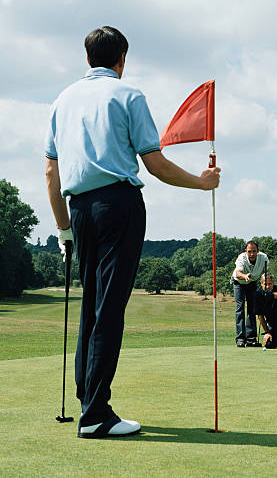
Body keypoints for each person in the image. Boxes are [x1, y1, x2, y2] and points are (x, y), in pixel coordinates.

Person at [45, 26, 220, 439]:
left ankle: (88, 400)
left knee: (94, 306)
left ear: (87, 58)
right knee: (109, 308)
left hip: (80, 210)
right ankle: (95, 416)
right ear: (121, 58)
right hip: (119, 206)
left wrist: (64, 229)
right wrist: (202, 182)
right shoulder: (129, 95)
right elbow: (154, 164)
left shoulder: (62, 101)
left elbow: (51, 171)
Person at [231, 240, 269, 347]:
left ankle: (251, 338)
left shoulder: (264, 258)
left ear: (258, 251)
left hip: (252, 283)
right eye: (249, 251)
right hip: (239, 282)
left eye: (254, 251)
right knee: (240, 308)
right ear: (245, 251)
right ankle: (240, 339)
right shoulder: (241, 258)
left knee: (252, 309)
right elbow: (238, 273)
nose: (252, 254)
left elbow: (266, 273)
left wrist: (265, 286)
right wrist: (245, 276)